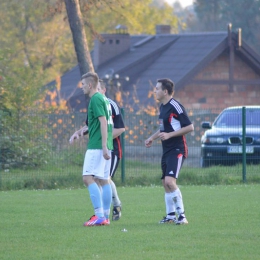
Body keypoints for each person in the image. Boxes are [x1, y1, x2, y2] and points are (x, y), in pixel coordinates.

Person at [69, 80, 125, 221]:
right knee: (100, 179)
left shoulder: (108, 104)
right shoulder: (96, 102)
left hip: (110, 148)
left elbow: (119, 128)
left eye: (99, 88)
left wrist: (104, 141)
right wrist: (78, 132)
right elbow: (91, 126)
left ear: (103, 90)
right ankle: (105, 214)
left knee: (98, 179)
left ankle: (105, 211)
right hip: (103, 146)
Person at [145, 78, 194, 225]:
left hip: (177, 148)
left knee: (170, 182)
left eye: (157, 88)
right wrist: (152, 138)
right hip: (166, 150)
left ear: (165, 91)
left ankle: (182, 216)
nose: (155, 91)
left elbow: (190, 127)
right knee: (164, 183)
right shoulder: (162, 107)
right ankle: (170, 216)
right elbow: (163, 128)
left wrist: (170, 135)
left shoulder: (175, 106)